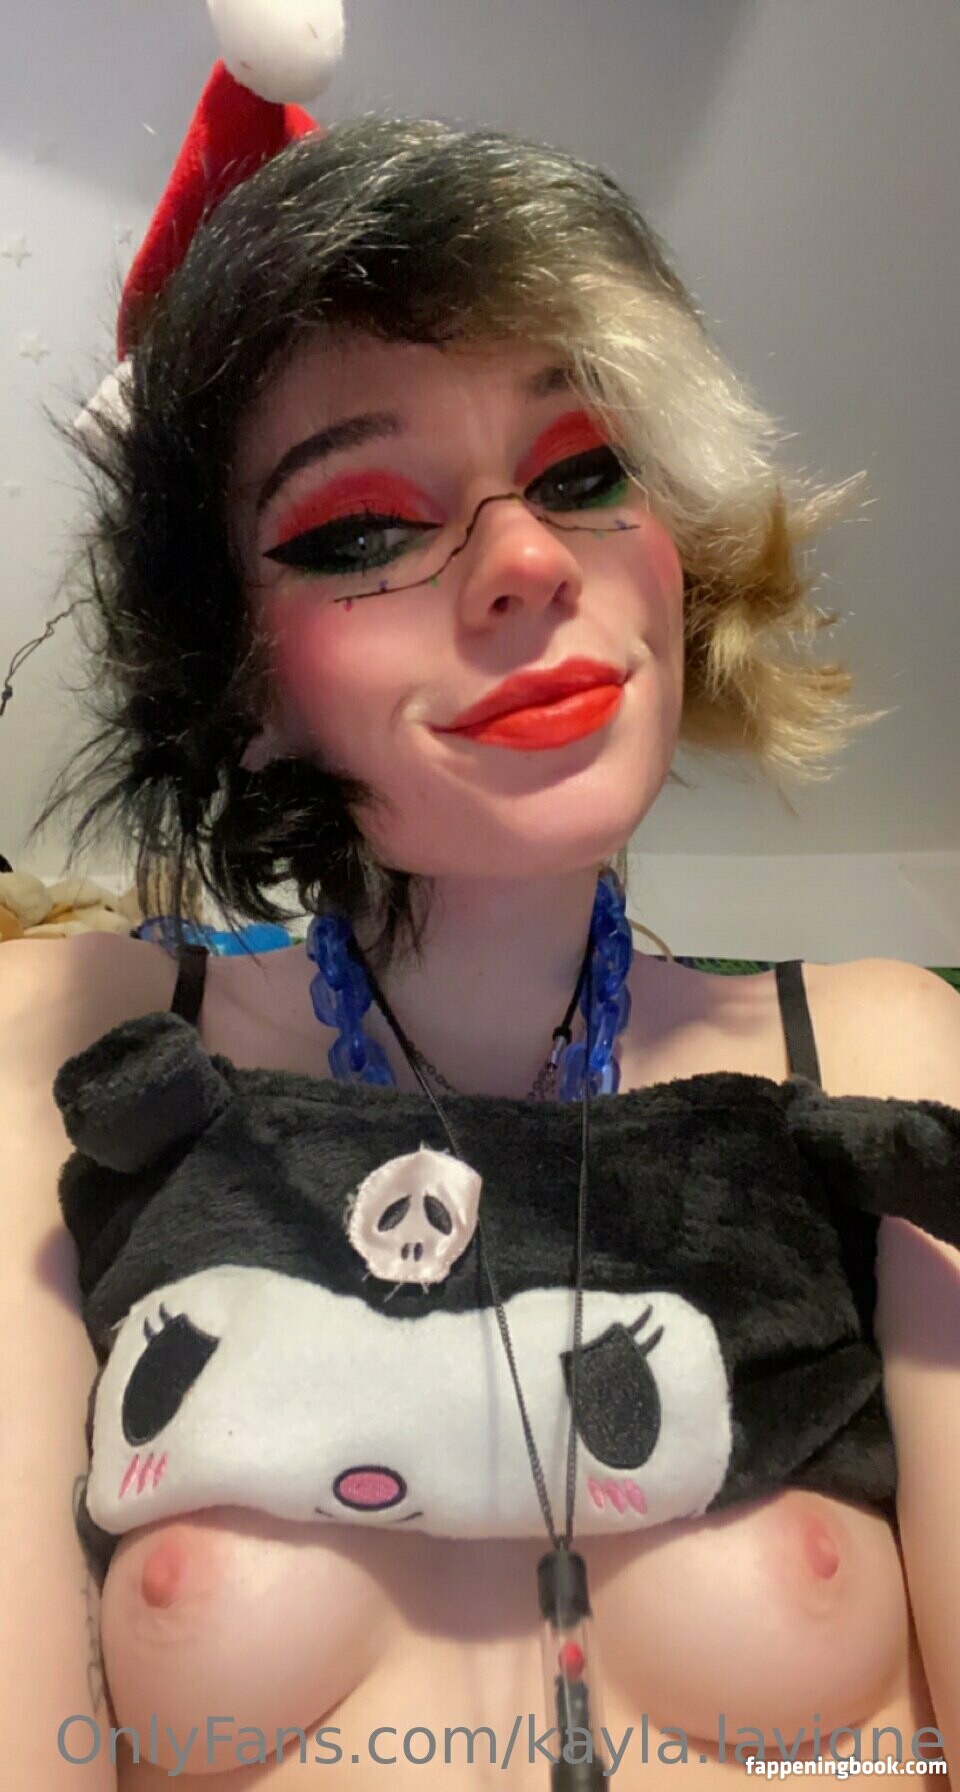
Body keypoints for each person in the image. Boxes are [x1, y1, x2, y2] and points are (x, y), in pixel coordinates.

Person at [5, 35, 960, 1792]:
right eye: (364, 526)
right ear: (236, 674)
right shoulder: (72, 1060)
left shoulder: (882, 1051)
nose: (529, 560)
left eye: (587, 471)